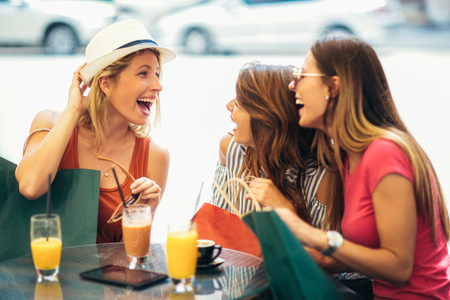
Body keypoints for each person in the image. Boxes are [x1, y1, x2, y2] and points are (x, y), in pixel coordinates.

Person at [275, 34, 450, 299]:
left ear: (332, 87)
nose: (292, 85)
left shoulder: (384, 153)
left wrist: (312, 236)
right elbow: (370, 250)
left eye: (302, 76)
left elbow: (399, 267)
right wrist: (324, 260)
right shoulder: (348, 155)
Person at [210, 61, 374, 299]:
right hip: (238, 291)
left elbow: (320, 266)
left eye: (241, 101)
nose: (228, 106)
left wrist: (287, 211)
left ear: (268, 117)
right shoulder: (231, 148)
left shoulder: (324, 176)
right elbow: (217, 227)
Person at [15, 19, 176, 243]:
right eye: (143, 73)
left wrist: (145, 211)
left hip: (108, 278)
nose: (158, 86)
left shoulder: (155, 156)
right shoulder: (50, 124)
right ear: (106, 83)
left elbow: (133, 255)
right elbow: (30, 186)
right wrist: (72, 111)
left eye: (157, 73)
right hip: (45, 272)